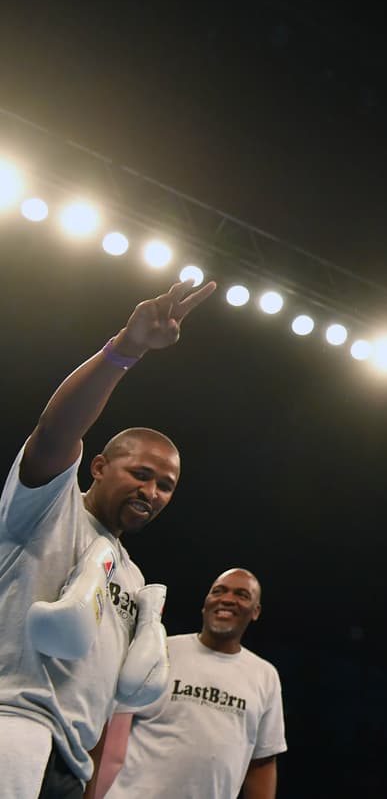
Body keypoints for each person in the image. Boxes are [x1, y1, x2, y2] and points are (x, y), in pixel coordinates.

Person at [0, 279, 216, 799]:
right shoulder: (49, 508)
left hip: (69, 769)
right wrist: (126, 349)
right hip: (11, 734)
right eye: (141, 474)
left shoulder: (134, 579)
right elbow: (53, 432)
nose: (153, 491)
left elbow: (101, 699)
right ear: (98, 465)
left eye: (166, 486)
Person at [91, 567, 287, 799]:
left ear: (256, 611)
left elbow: (262, 762)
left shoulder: (265, 676)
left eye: (241, 595)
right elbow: (106, 729)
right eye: (219, 591)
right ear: (205, 603)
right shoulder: (158, 651)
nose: (227, 599)